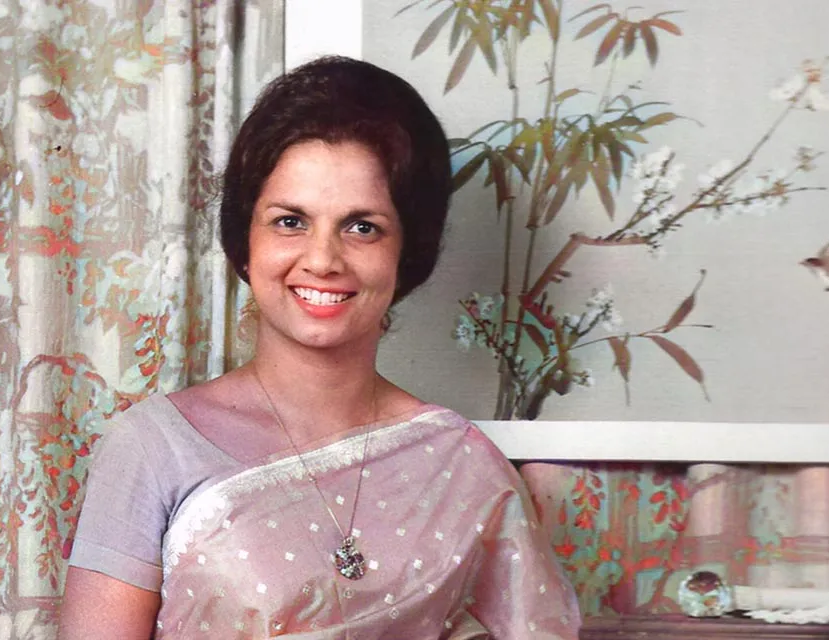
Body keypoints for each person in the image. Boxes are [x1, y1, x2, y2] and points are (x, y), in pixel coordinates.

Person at [59, 55, 581, 639]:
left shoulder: (462, 466)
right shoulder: (154, 450)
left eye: (363, 227)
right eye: (290, 221)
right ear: (244, 240)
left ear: (406, 253)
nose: (323, 259)